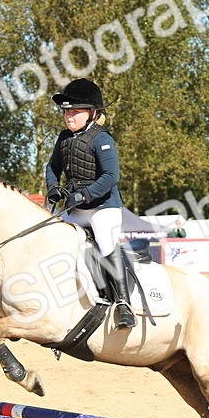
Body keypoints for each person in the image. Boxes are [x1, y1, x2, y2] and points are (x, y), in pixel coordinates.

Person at [44, 78, 135, 329]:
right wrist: (53, 188)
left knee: (105, 242)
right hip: (75, 209)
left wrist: (84, 195)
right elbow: (52, 167)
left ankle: (123, 304)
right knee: (53, 241)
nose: (68, 116)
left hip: (102, 207)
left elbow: (111, 176)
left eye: (74, 111)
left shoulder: (101, 138)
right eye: (66, 111)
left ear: (92, 113)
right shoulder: (63, 138)